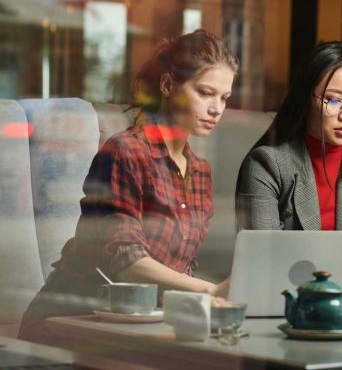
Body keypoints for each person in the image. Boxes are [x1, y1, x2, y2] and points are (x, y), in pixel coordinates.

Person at [19, 29, 238, 342]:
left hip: (140, 324)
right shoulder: (125, 150)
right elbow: (126, 261)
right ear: (167, 85)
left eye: (224, 97)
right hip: (69, 320)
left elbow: (181, 267)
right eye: (205, 93)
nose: (217, 108)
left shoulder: (200, 171)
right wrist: (211, 290)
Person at [236, 42, 342, 293]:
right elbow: (266, 259)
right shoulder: (267, 164)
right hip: (286, 305)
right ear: (307, 98)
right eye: (333, 101)